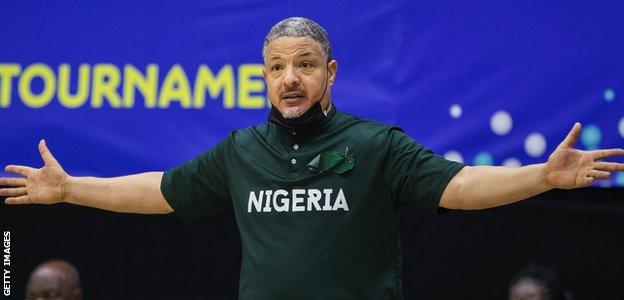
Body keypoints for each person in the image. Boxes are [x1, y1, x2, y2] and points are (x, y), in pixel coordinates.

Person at [1, 17, 623, 299]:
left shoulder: (376, 144)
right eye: (276, 68)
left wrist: (542, 176)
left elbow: (459, 185)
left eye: (304, 65)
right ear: (264, 79)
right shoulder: (241, 151)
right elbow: (162, 191)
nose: (289, 78)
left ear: (331, 74)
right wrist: (72, 189)